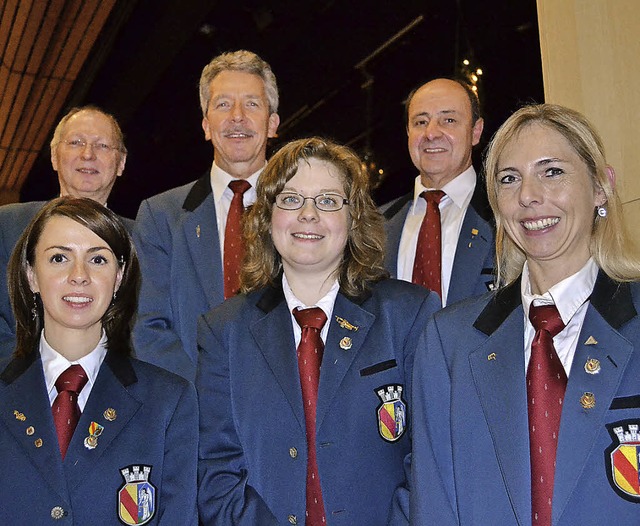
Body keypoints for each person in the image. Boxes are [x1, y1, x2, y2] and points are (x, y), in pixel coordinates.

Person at [411, 104, 640, 525]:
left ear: (600, 186)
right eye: (509, 179)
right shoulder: (449, 342)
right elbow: (436, 507)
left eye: (551, 171)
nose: (528, 196)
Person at [197, 138, 440, 525]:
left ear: (353, 217)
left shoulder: (409, 314)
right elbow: (216, 469)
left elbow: (430, 457)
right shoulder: (223, 330)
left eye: (327, 200)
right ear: (267, 216)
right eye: (291, 199)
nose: (308, 214)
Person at [0, 197, 197, 525]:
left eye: (98, 259)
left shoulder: (169, 402)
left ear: (119, 278)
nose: (79, 275)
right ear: (31, 275)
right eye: (59, 258)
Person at [133, 49, 280, 381]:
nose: (237, 117)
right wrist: (207, 397)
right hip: (194, 412)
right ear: (206, 125)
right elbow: (147, 326)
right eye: (223, 104)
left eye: (252, 104)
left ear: (272, 124)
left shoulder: (307, 210)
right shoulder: (160, 217)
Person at [0, 105, 131, 357]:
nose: (88, 154)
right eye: (75, 142)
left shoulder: (145, 238)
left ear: (121, 162)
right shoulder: (7, 226)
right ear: (54, 156)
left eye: (102, 145)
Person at [381, 78, 494, 307]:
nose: (431, 133)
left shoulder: (506, 214)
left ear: (476, 131)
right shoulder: (374, 225)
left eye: (448, 120)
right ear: (408, 133)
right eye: (420, 122)